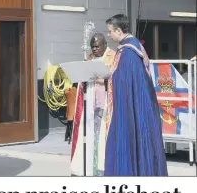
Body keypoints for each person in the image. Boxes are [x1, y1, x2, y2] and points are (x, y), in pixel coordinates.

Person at [104, 14, 167, 176]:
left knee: (130, 140)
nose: (108, 35)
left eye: (110, 31)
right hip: (141, 102)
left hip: (132, 105)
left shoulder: (128, 53)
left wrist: (105, 78)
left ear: (118, 31)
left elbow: (123, 81)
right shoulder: (133, 46)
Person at [70, 33, 116, 176]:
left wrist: (105, 79)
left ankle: (102, 167)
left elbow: (117, 78)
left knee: (103, 137)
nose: (94, 49)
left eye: (97, 46)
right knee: (90, 135)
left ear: (105, 45)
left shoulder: (113, 57)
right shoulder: (89, 58)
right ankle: (87, 166)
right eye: (92, 47)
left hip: (105, 105)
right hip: (89, 104)